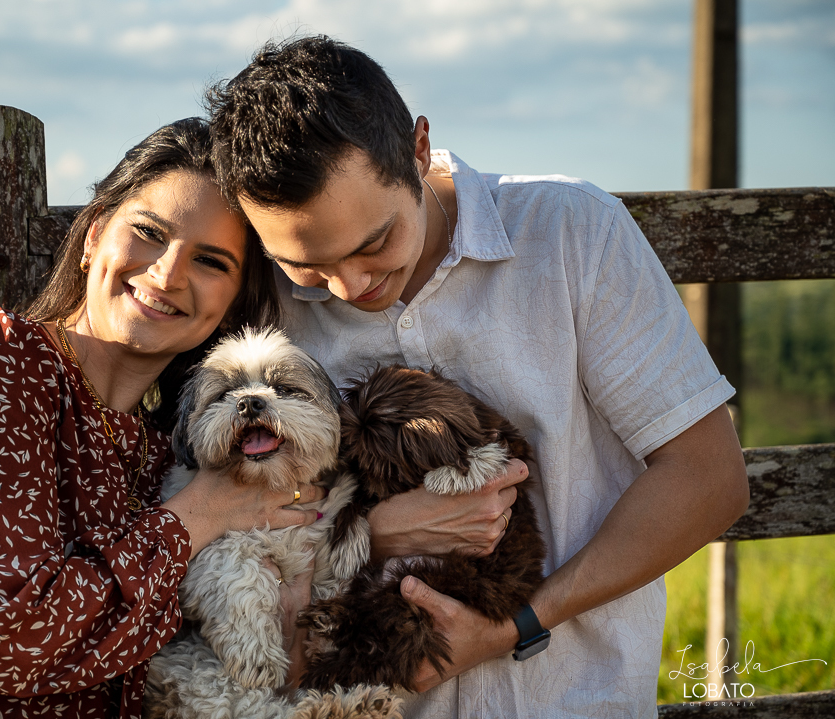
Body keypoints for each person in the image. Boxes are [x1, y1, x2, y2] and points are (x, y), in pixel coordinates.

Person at [207, 36, 750, 717]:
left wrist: (514, 625)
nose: (350, 285)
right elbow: (236, 511)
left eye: (375, 242)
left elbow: (708, 477)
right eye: (308, 264)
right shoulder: (263, 315)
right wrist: (375, 530)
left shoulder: (572, 231)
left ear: (418, 148)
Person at [0, 117, 325, 719]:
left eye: (211, 262)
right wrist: (206, 510)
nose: (167, 274)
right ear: (93, 235)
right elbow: (13, 642)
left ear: (230, 306)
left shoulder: (167, 456)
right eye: (147, 232)